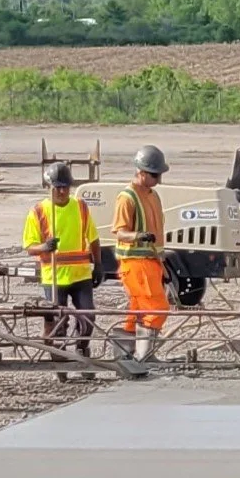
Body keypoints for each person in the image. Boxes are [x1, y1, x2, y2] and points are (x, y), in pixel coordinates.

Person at [24, 162, 101, 375]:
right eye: (57, 187)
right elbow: (30, 247)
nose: (61, 191)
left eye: (65, 187)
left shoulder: (80, 207)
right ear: (49, 187)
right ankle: (60, 361)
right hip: (54, 276)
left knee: (88, 316)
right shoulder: (39, 211)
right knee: (59, 320)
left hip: (80, 275)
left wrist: (99, 264)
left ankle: (82, 350)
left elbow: (93, 238)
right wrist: (45, 247)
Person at [112, 145, 171, 360]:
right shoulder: (127, 198)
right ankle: (143, 356)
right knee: (158, 308)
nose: (159, 179)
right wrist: (139, 236)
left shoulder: (153, 196)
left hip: (151, 262)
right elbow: (119, 232)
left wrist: (162, 264)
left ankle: (125, 353)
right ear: (141, 172)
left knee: (137, 310)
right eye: (155, 175)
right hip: (135, 263)